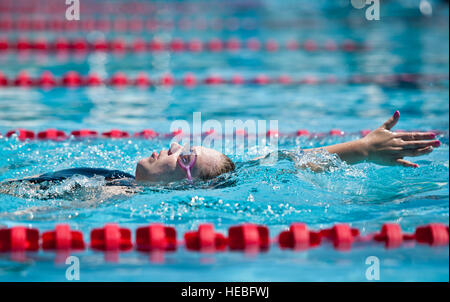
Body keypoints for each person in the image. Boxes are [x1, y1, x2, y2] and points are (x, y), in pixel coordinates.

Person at [1, 111, 441, 190]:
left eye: (184, 157)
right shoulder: (119, 182)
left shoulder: (111, 193)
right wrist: (361, 147)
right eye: (182, 147)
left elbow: (289, 166)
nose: (170, 148)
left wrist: (363, 150)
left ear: (180, 184)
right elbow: (278, 163)